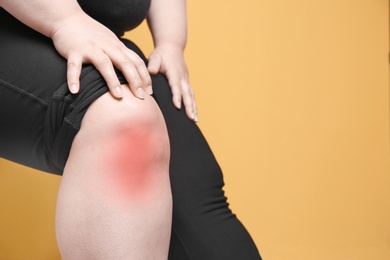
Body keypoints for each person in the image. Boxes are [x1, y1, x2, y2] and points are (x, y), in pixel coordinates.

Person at [0, 0, 262, 259]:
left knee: (202, 215)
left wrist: (170, 44)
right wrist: (65, 20)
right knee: (122, 118)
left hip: (98, 37)